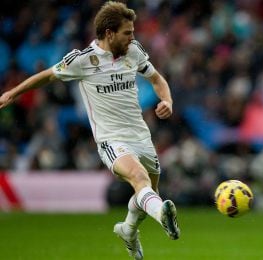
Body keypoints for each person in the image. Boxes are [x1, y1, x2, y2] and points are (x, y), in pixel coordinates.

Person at [0, 1, 180, 259]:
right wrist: (13, 93)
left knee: (146, 194)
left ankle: (128, 231)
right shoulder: (82, 60)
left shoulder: (134, 51)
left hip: (140, 135)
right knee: (139, 179)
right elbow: (47, 75)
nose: (133, 37)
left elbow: (156, 79)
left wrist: (167, 101)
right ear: (109, 33)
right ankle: (163, 215)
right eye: (127, 32)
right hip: (111, 140)